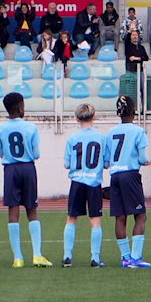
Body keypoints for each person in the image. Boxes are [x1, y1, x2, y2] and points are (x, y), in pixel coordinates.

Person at [0, 91, 49, 267]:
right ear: (20, 107)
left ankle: (17, 258)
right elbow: (37, 154)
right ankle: (37, 255)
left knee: (13, 210)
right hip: (27, 168)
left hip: (10, 169)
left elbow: (1, 152)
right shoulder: (30, 127)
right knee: (31, 209)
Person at [103, 95, 151, 268]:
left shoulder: (110, 132)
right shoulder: (138, 131)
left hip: (115, 175)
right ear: (133, 111)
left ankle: (125, 257)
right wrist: (144, 161)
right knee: (140, 215)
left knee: (120, 216)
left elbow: (107, 161)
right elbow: (142, 157)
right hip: (130, 175)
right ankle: (135, 257)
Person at [60, 103, 107, 268]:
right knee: (94, 220)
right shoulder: (102, 138)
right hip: (94, 182)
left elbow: (67, 164)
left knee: (71, 218)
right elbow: (106, 162)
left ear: (76, 118)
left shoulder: (72, 138)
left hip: (77, 181)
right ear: (94, 117)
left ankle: (67, 256)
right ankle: (95, 258)